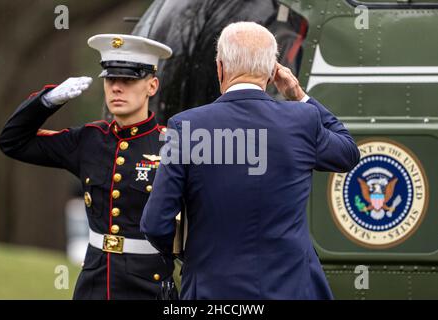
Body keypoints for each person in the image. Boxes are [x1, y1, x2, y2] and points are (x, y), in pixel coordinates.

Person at [140, 22, 360, 299]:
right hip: (294, 288)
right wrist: (299, 96)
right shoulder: (303, 120)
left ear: (220, 67)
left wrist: (194, 256)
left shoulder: (185, 126)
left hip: (212, 289)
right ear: (272, 72)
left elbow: (155, 224)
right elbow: (348, 153)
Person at [0, 34, 178, 300]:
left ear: (152, 86)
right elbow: (12, 141)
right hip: (95, 281)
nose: (116, 88)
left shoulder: (171, 145)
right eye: (110, 79)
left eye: (128, 80)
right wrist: (48, 101)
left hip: (148, 285)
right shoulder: (89, 139)